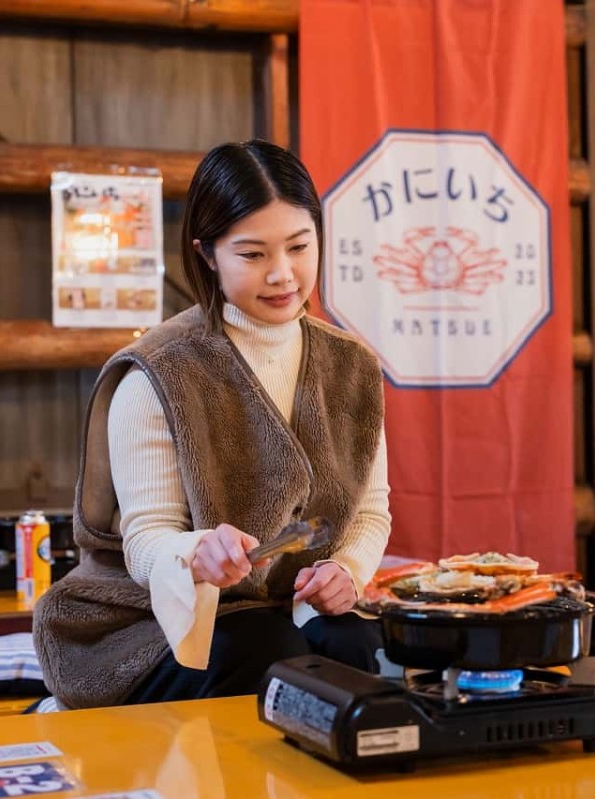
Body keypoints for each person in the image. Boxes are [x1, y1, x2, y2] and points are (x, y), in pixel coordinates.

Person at [34, 140, 391, 709]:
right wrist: (195, 553)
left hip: (277, 614)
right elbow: (146, 542)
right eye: (251, 255)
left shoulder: (351, 365)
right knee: (263, 647)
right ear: (207, 254)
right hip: (145, 628)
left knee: (354, 640)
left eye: (300, 246)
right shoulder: (159, 372)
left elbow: (370, 512)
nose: (283, 274)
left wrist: (346, 571)